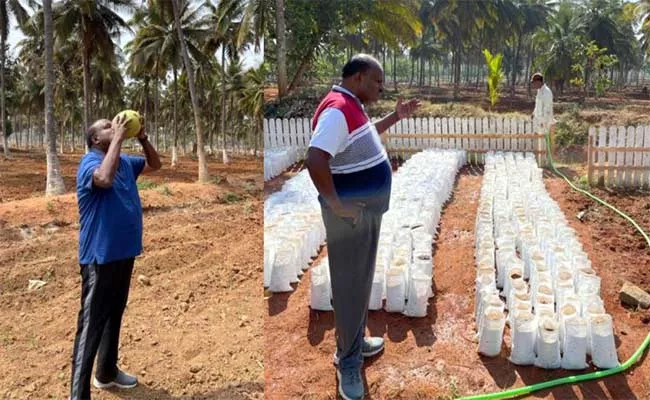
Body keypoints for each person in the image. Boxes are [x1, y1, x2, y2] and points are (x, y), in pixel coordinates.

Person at [305, 54, 420, 400]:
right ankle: (348, 360)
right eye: (377, 81)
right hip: (350, 217)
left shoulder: (350, 105)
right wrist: (338, 205)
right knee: (351, 284)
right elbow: (315, 158)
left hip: (363, 213)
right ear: (356, 78)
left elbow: (365, 136)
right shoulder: (338, 109)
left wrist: (395, 118)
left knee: (359, 281)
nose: (380, 88)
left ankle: (354, 340)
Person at [70, 115, 161, 400]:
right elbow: (104, 180)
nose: (115, 127)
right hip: (100, 257)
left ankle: (106, 372)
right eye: (107, 127)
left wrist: (143, 138)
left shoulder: (125, 162)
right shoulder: (90, 163)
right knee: (91, 325)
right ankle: (77, 395)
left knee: (114, 315)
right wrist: (120, 138)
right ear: (96, 140)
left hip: (124, 253)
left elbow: (155, 165)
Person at [530, 73, 556, 152]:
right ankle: (540, 162)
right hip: (539, 121)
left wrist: (543, 122)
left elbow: (547, 110)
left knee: (544, 145)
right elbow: (538, 105)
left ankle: (545, 162)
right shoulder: (539, 91)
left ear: (539, 82)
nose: (533, 85)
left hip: (545, 123)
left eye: (534, 83)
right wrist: (533, 113)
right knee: (539, 144)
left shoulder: (547, 92)